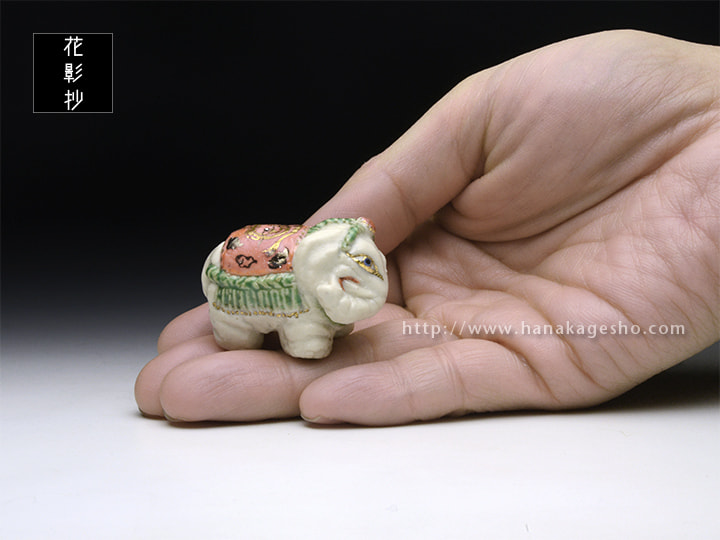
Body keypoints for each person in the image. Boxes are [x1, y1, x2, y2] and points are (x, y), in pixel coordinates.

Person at [135, 30, 719, 426]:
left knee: (298, 340)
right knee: (280, 335)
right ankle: (243, 327)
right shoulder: (309, 273)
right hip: (267, 275)